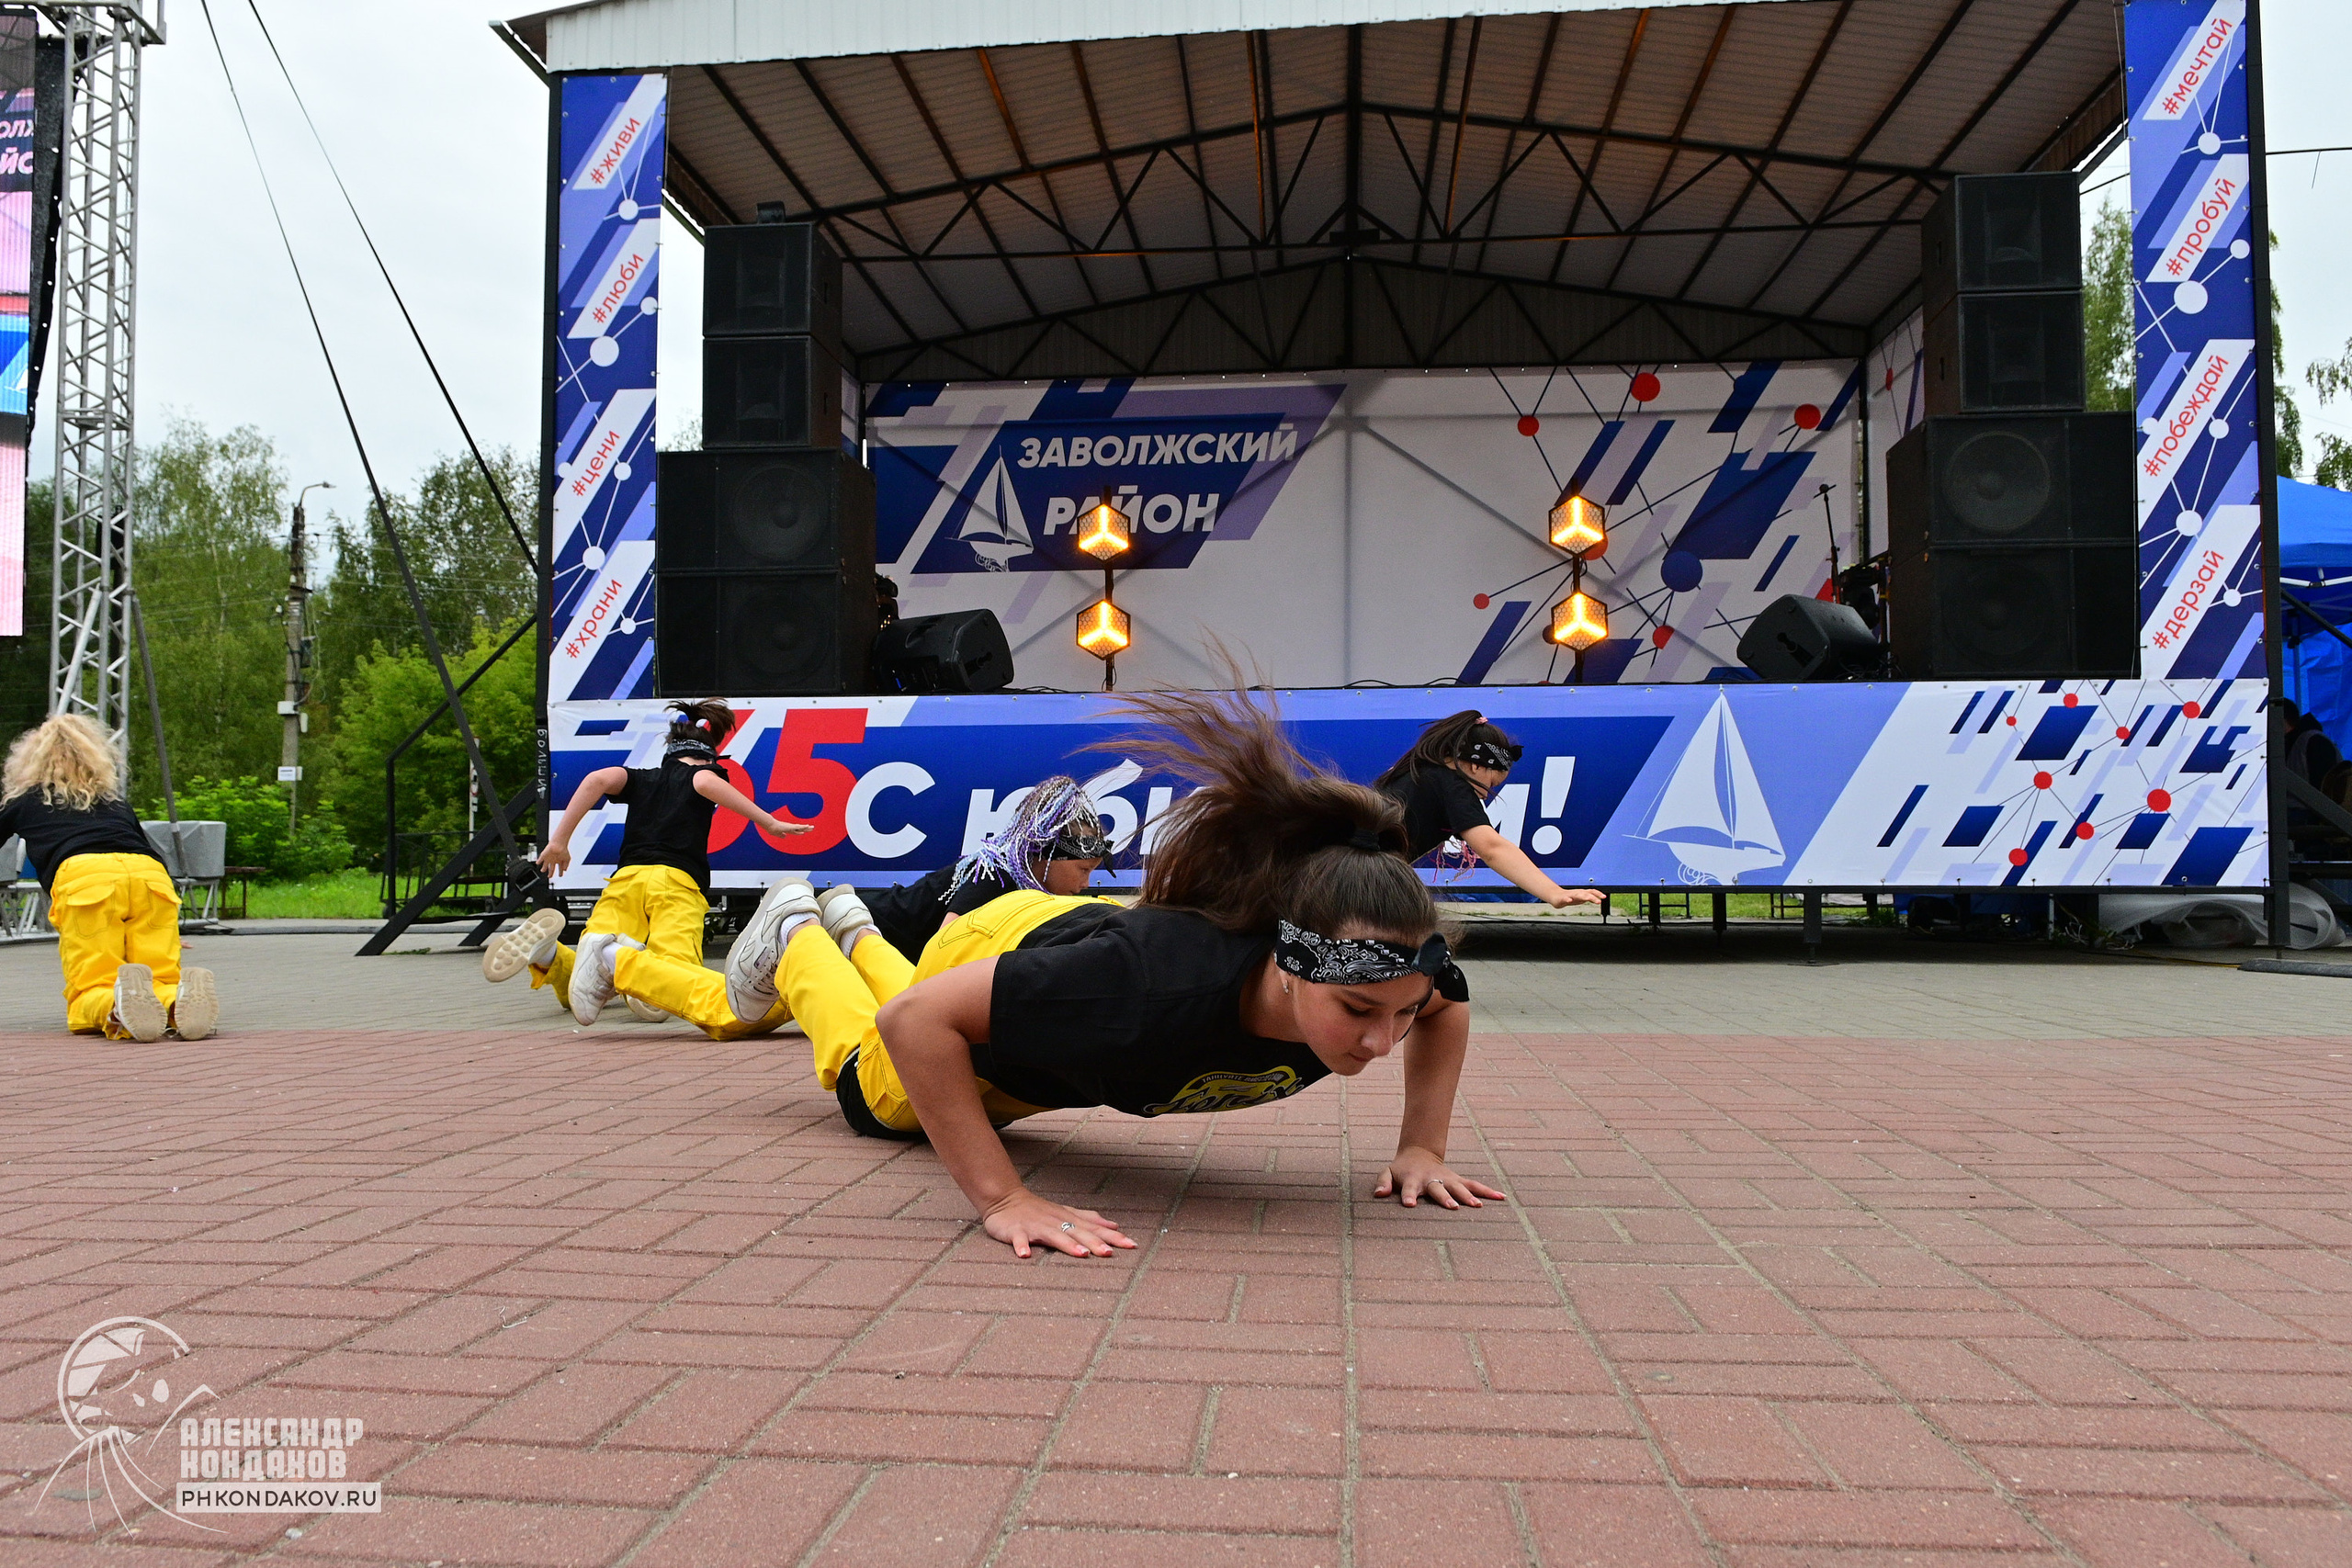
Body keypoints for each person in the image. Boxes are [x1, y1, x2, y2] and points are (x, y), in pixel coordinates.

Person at [727, 680, 1506, 1259]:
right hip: (1020, 941)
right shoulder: (1146, 983)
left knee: (944, 1013)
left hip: (1060, 947)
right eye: (1361, 1011)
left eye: (1400, 1014)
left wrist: (1422, 1148)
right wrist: (1004, 1197)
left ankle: (852, 928)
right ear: (1290, 964)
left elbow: (1448, 1004)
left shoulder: (1386, 975)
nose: (1380, 1040)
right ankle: (798, 935)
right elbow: (915, 1021)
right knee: (877, 1091)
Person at [478, 699, 810, 1026]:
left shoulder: (642, 778)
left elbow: (596, 779)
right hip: (677, 883)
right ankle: (647, 985)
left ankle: (550, 955)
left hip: (627, 879)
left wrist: (559, 841)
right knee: (678, 965)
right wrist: (768, 822)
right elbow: (706, 783)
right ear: (708, 758)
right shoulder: (703, 774)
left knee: (592, 960)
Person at [0, 715, 217, 1042]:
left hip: (86, 877)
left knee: (93, 983)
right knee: (160, 974)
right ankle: (176, 1001)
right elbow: (144, 848)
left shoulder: (27, 800)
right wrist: (170, 925)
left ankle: (116, 1007)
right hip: (149, 876)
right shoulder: (114, 803)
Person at [1374, 710, 1602, 909]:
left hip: (1349, 867)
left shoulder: (1419, 769)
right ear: (1476, 765)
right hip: (1357, 875)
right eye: (1491, 783)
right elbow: (1492, 848)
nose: (1485, 794)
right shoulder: (1452, 785)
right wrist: (1555, 893)